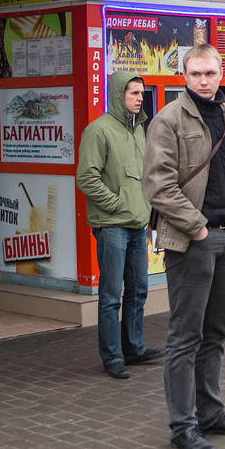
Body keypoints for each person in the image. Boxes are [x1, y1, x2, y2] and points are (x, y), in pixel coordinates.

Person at [143, 43, 225, 449]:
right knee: (185, 336)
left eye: (209, 73)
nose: (203, 81)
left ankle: (211, 413)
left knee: (216, 332)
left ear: (221, 74)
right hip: (193, 241)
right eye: (195, 74)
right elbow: (158, 185)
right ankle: (182, 425)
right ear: (184, 76)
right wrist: (198, 229)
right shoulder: (168, 120)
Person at [75, 70, 164, 379]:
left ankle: (134, 349)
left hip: (138, 225)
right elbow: (86, 178)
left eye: (141, 93)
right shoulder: (98, 131)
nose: (140, 98)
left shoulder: (141, 129)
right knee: (111, 296)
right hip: (112, 225)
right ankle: (112, 356)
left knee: (139, 290)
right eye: (133, 93)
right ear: (117, 95)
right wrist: (117, 205)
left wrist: (149, 213)